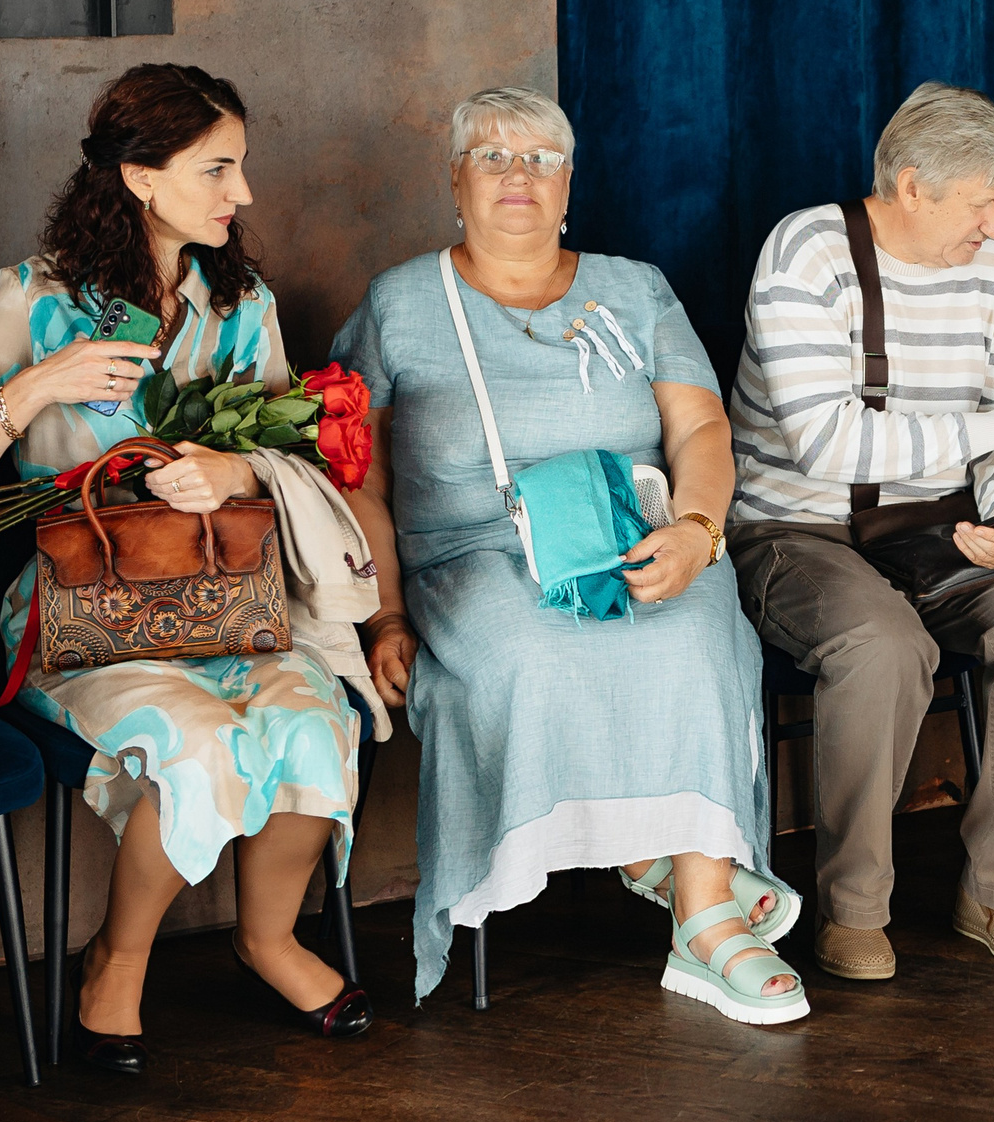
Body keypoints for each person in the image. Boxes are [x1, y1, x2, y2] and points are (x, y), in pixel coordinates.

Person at [0, 64, 370, 1072]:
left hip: (226, 605)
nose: (242, 192)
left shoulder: (241, 303)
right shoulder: (32, 300)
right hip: (83, 622)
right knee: (198, 744)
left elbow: (295, 457)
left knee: (314, 717)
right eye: (218, 169)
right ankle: (116, 959)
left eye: (240, 166)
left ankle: (268, 939)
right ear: (140, 175)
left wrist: (237, 467)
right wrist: (37, 386)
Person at [334, 88, 803, 1023]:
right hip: (474, 554)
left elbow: (701, 428)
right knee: (538, 654)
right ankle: (653, 857)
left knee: (694, 639)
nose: (520, 174)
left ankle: (703, 916)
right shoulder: (399, 303)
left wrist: (697, 533)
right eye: (494, 156)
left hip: (640, 533)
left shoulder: (637, 288)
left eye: (542, 158)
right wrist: (382, 615)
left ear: (569, 184)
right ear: (456, 182)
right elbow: (358, 479)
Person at [728, 82, 994, 983]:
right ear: (911, 187)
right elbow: (826, 445)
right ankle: (852, 907)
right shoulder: (806, 253)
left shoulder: (992, 272)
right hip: (797, 530)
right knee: (882, 646)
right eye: (983, 204)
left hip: (936, 526)